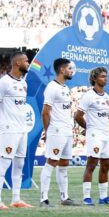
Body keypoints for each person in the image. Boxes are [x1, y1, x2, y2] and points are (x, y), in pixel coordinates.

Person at [0, 52, 32, 210]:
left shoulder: (23, 83)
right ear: (17, 63)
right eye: (26, 61)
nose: (28, 63)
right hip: (9, 128)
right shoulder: (4, 82)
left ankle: (16, 198)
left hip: (22, 128)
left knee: (20, 163)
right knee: (5, 162)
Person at [40, 58, 76, 207]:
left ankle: (64, 197)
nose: (71, 71)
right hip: (56, 130)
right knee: (51, 162)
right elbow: (45, 112)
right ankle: (43, 198)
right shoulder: (51, 87)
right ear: (62, 70)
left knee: (64, 163)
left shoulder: (65, 88)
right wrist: (48, 130)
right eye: (69, 68)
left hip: (67, 130)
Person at [75, 67, 109, 206]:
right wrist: (88, 128)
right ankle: (86, 197)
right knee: (91, 164)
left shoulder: (107, 97)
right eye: (102, 76)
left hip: (106, 135)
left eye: (106, 76)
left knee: (106, 164)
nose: (105, 79)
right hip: (95, 134)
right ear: (94, 79)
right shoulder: (89, 96)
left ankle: (103, 197)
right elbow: (78, 116)